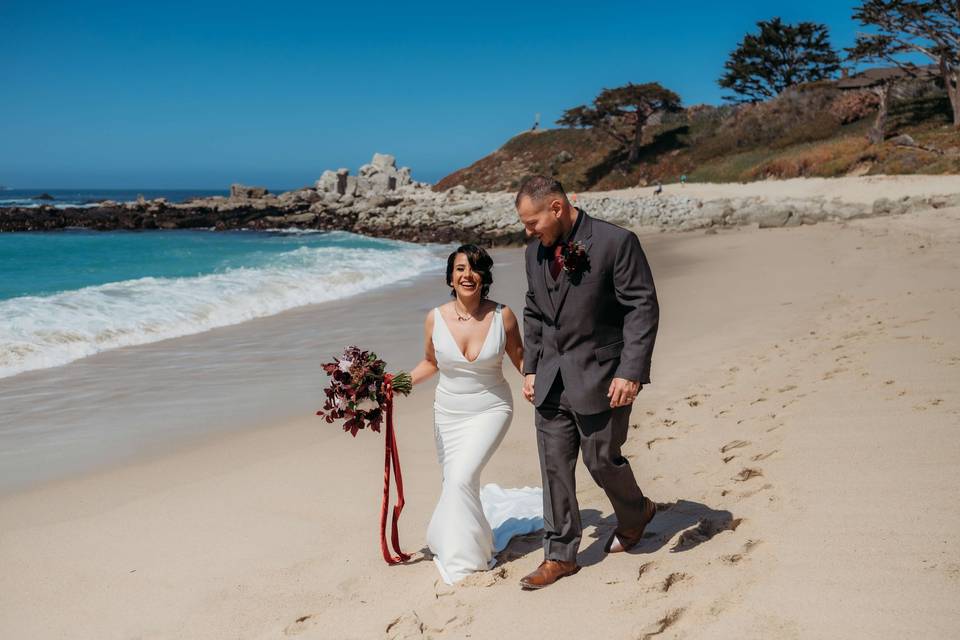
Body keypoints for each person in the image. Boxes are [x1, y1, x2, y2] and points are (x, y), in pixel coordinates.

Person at [514, 175, 659, 590]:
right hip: (550, 380)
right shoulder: (533, 254)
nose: (528, 232)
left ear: (557, 208)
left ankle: (637, 513)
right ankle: (560, 555)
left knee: (601, 461)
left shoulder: (616, 242)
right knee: (554, 467)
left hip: (602, 376)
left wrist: (631, 371)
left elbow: (641, 307)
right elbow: (535, 311)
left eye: (532, 222)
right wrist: (530, 367)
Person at [409, 244, 543, 584]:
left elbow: (521, 358)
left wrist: (532, 377)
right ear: (450, 278)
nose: (467, 275)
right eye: (459, 269)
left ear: (484, 276)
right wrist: (394, 383)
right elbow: (430, 364)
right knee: (455, 481)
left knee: (461, 478)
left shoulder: (503, 316)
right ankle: (463, 540)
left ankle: (468, 557)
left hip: (491, 408)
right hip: (448, 413)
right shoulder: (434, 318)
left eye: (474, 269)